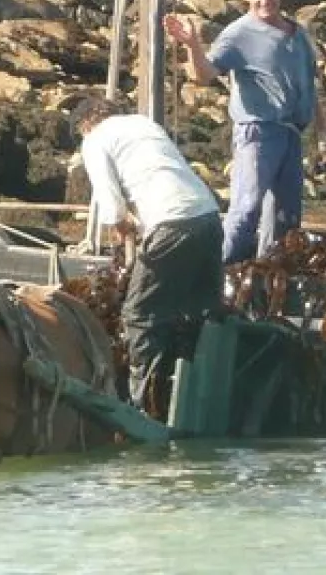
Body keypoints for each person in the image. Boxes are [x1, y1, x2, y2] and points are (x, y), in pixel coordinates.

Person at [69, 96, 223, 416]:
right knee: (200, 313)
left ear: (86, 124)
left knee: (139, 314)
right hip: (208, 218)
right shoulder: (144, 125)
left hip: (172, 224)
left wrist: (123, 228)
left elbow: (111, 205)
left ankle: (145, 405)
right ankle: (203, 397)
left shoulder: (95, 140)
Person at [163, 0, 323, 264]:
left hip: (292, 134)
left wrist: (319, 120)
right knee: (246, 208)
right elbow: (205, 75)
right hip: (258, 133)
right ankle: (215, 272)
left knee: (286, 218)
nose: (265, 0)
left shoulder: (297, 34)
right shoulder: (238, 34)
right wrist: (192, 45)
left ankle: (271, 277)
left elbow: (307, 78)